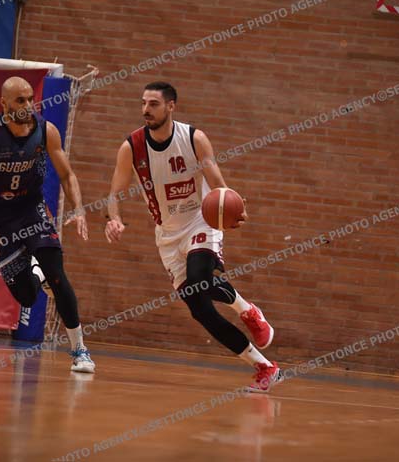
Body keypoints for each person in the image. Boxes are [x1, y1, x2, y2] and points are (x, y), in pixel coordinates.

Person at [105, 82, 280, 393]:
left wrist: (232, 210)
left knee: (200, 277)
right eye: (143, 103)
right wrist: (114, 219)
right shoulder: (131, 147)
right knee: (200, 309)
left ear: (171, 106)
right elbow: (114, 193)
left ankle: (247, 311)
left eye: (153, 104)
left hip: (201, 220)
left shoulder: (194, 138)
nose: (146, 110)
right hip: (167, 235)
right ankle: (265, 366)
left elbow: (218, 184)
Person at [0, 76, 94, 373]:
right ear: (3, 103)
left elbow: (67, 175)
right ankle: (36, 272)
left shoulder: (46, 130)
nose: (28, 105)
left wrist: (79, 209)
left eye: (31, 98)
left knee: (58, 276)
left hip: (32, 211)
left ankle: (80, 351)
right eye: (20, 100)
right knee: (27, 296)